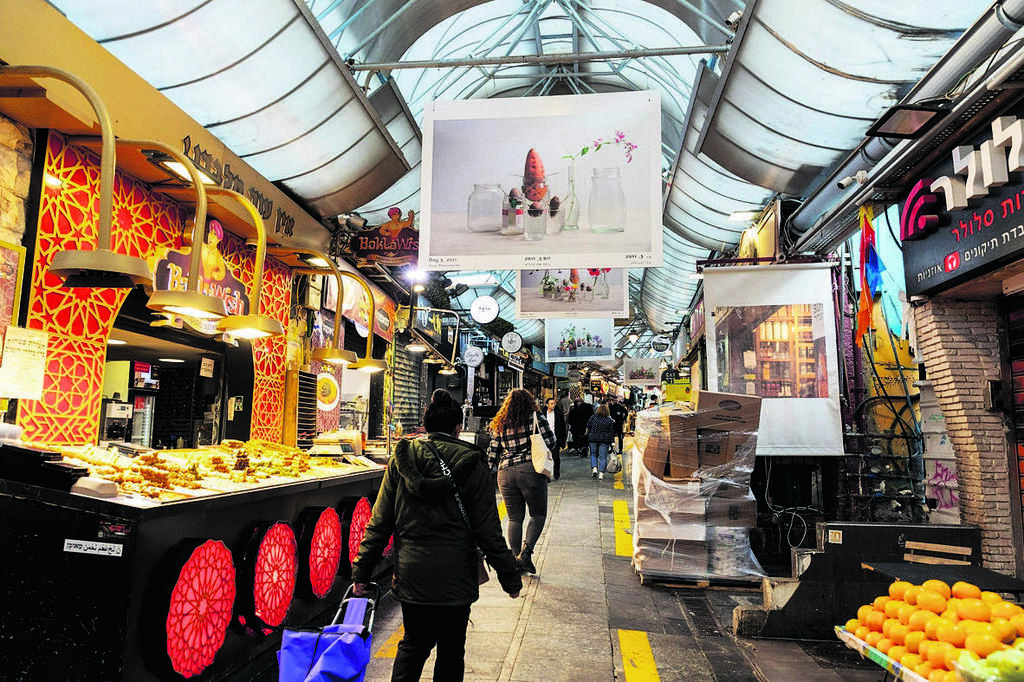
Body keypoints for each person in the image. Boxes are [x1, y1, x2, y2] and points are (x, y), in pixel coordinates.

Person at [352, 389, 522, 682]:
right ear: (458, 429)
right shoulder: (474, 463)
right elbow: (488, 530)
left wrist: (361, 572)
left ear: (426, 426)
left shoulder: (403, 458)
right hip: (456, 577)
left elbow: (379, 522)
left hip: (412, 574)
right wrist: (510, 578)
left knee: (412, 645)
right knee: (451, 649)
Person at [487, 389, 556, 575]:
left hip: (505, 473)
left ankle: (516, 559)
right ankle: (526, 553)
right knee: (538, 514)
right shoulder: (535, 417)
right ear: (529, 402)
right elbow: (551, 441)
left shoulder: (500, 421)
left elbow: (492, 451)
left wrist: (486, 471)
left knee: (514, 518)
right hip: (530, 470)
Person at [585, 404, 616, 480]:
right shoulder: (609, 420)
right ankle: (601, 474)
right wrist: (612, 442)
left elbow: (588, 426)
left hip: (593, 438)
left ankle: (594, 468)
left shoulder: (593, 417)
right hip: (604, 440)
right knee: (603, 457)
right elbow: (611, 432)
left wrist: (587, 434)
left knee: (593, 454)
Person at [543, 397, 567, 480]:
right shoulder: (542, 414)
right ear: (546, 405)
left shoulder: (558, 414)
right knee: (546, 458)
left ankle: (556, 473)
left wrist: (563, 442)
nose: (553, 405)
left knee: (556, 457)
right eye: (551, 403)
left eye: (554, 403)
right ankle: (547, 475)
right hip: (545, 440)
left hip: (555, 439)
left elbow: (563, 428)